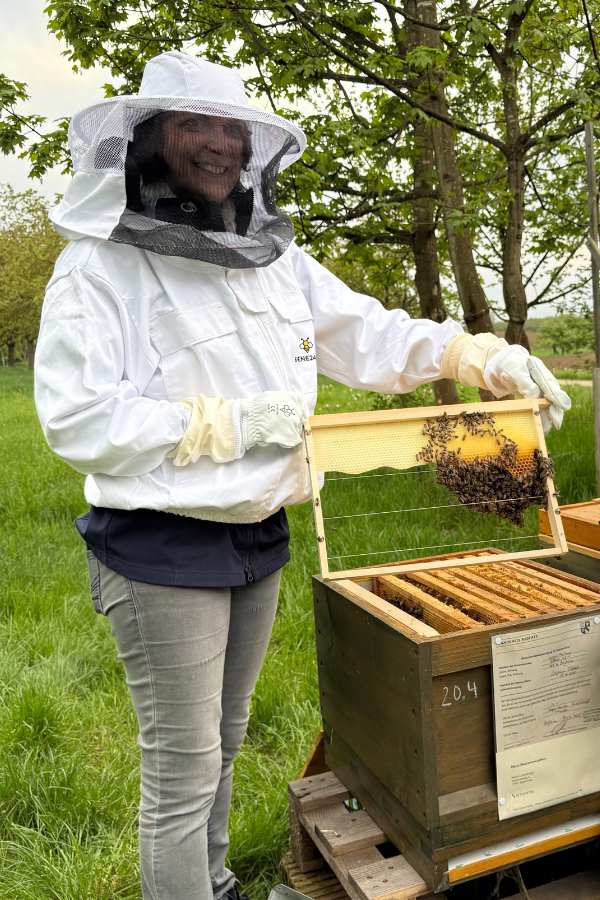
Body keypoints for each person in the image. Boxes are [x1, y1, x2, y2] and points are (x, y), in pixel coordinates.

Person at [34, 50, 570, 900]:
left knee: (227, 734)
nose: (216, 145)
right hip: (162, 545)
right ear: (147, 140)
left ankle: (211, 883)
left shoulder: (270, 255)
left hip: (261, 531)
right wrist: (228, 423)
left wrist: (482, 356)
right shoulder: (101, 268)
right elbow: (78, 419)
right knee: (182, 764)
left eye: (230, 129)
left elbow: (369, 333)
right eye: (193, 126)